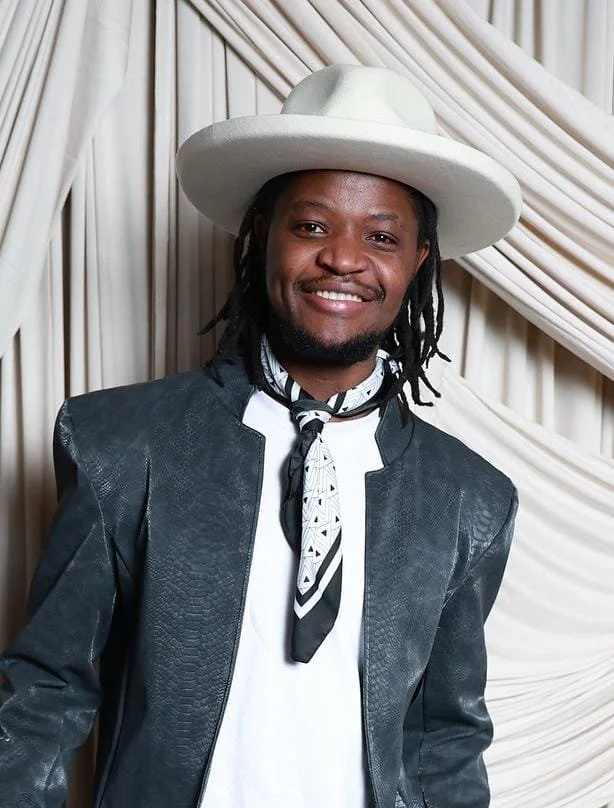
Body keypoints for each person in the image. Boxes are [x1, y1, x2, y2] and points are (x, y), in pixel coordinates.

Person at [0, 64, 521, 808]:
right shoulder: (121, 445)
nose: (343, 257)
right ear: (259, 235)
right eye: (312, 225)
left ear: (417, 261)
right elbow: (43, 701)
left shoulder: (471, 500)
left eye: (381, 235)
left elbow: (444, 743)